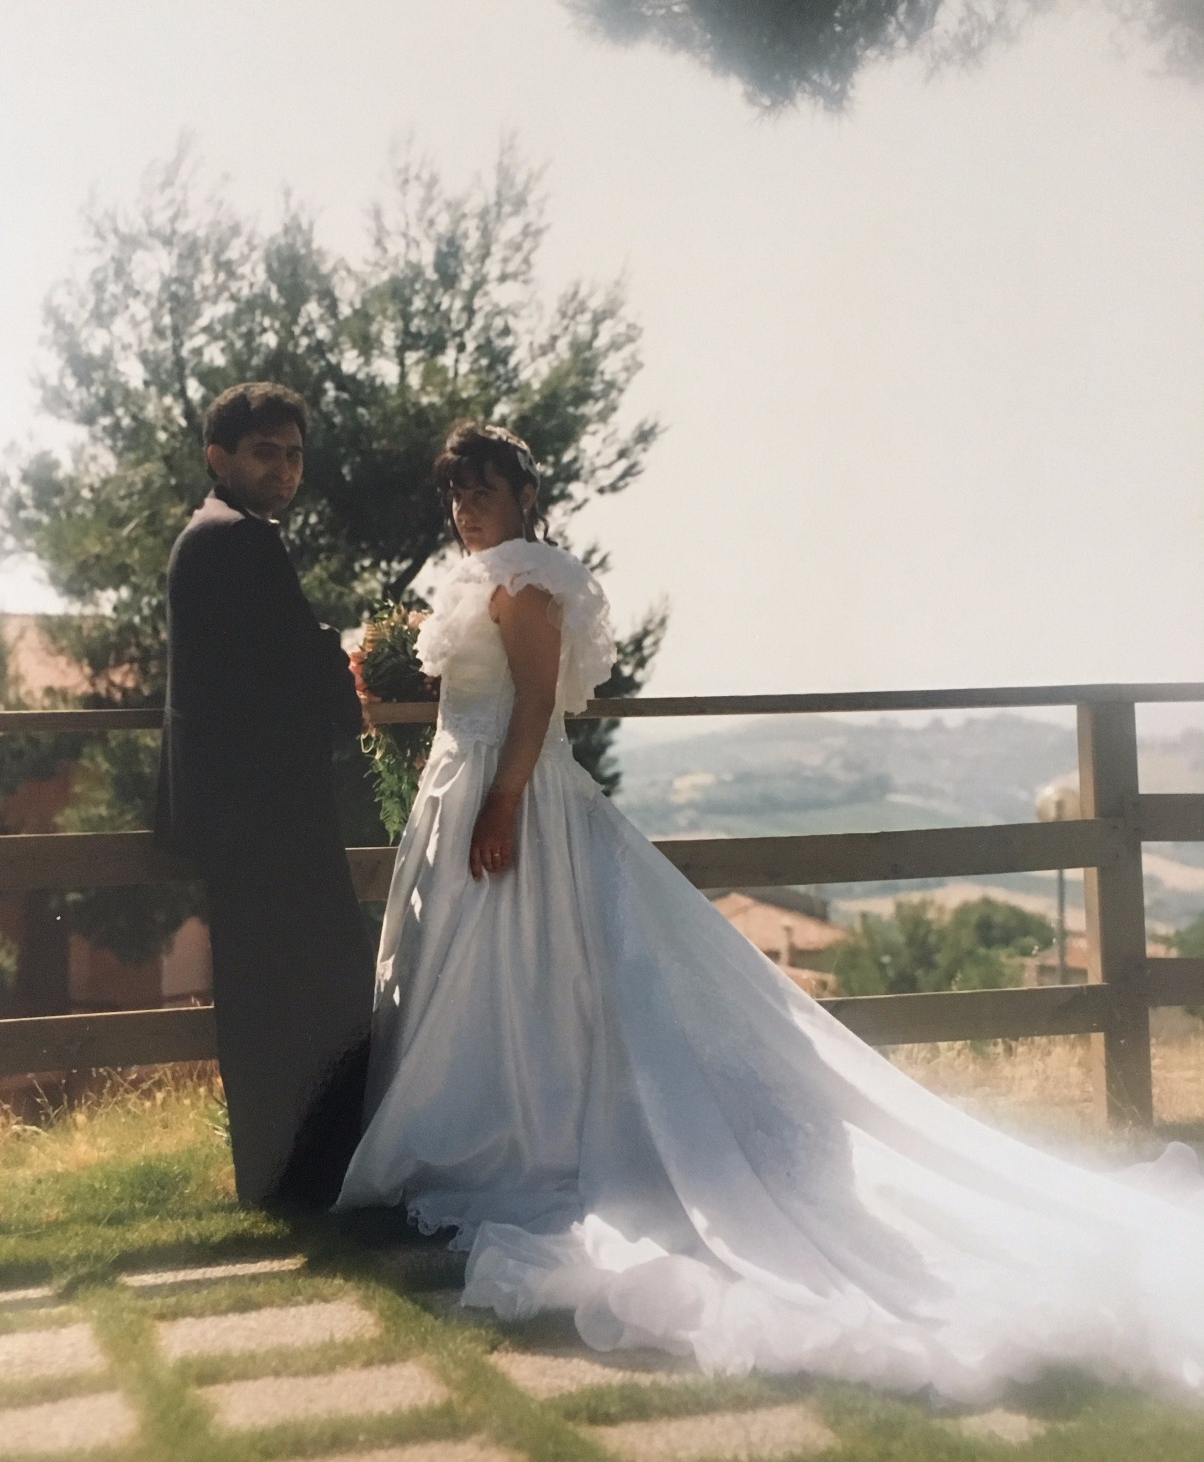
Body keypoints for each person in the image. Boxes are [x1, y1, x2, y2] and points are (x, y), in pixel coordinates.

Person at [337, 419, 1204, 1406]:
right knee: (474, 976)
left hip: (516, 798)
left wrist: (499, 804)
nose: (466, 509)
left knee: (539, 970)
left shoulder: (529, 583)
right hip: (459, 786)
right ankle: (464, 1129)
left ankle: (526, 1139)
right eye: (456, 494)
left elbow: (534, 705)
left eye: (483, 491)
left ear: (523, 498)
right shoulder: (471, 579)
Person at [156, 382, 373, 1209]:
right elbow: (295, 660)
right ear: (219, 457)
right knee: (310, 998)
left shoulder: (218, 534)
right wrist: (338, 665)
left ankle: (294, 1183)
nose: (283, 470)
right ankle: (308, 1184)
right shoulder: (233, 540)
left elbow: (276, 653)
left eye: (293, 455)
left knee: (280, 1000)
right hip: (263, 821)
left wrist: (317, 652)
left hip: (248, 818)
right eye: (264, 453)